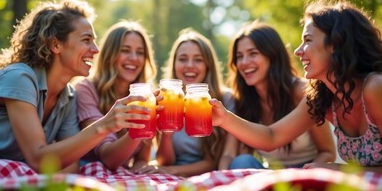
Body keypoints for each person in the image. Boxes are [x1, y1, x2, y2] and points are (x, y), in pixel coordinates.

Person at [210, 0, 382, 176]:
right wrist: (223, 118)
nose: (298, 52)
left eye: (307, 40)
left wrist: (339, 170)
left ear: (335, 44)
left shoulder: (377, 87)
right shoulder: (323, 96)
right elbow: (272, 136)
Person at [0, 0, 152, 173]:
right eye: (86, 40)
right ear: (56, 45)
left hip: (5, 166)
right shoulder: (18, 78)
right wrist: (106, 124)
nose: (96, 49)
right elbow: (38, 159)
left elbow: (70, 164)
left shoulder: (68, 96)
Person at [218, 21, 335, 170]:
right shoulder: (242, 101)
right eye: (239, 56)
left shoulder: (304, 91)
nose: (244, 62)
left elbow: (327, 151)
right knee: (242, 162)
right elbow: (230, 154)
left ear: (272, 56)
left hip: (306, 170)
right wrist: (221, 178)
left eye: (253, 53)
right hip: (271, 173)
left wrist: (304, 175)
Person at [137, 28, 236, 177]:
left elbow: (214, 161)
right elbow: (165, 161)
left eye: (198, 59)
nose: (190, 65)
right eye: (183, 59)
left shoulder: (225, 99)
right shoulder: (163, 98)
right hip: (171, 173)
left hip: (206, 174)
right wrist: (167, 135)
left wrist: (171, 171)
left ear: (208, 65)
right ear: (174, 63)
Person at [74, 20, 157, 171]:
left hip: (121, 179)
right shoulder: (86, 90)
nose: (134, 58)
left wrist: (141, 170)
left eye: (140, 52)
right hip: (91, 174)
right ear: (110, 54)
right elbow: (108, 158)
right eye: (125, 50)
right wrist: (141, 123)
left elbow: (141, 160)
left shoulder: (147, 97)